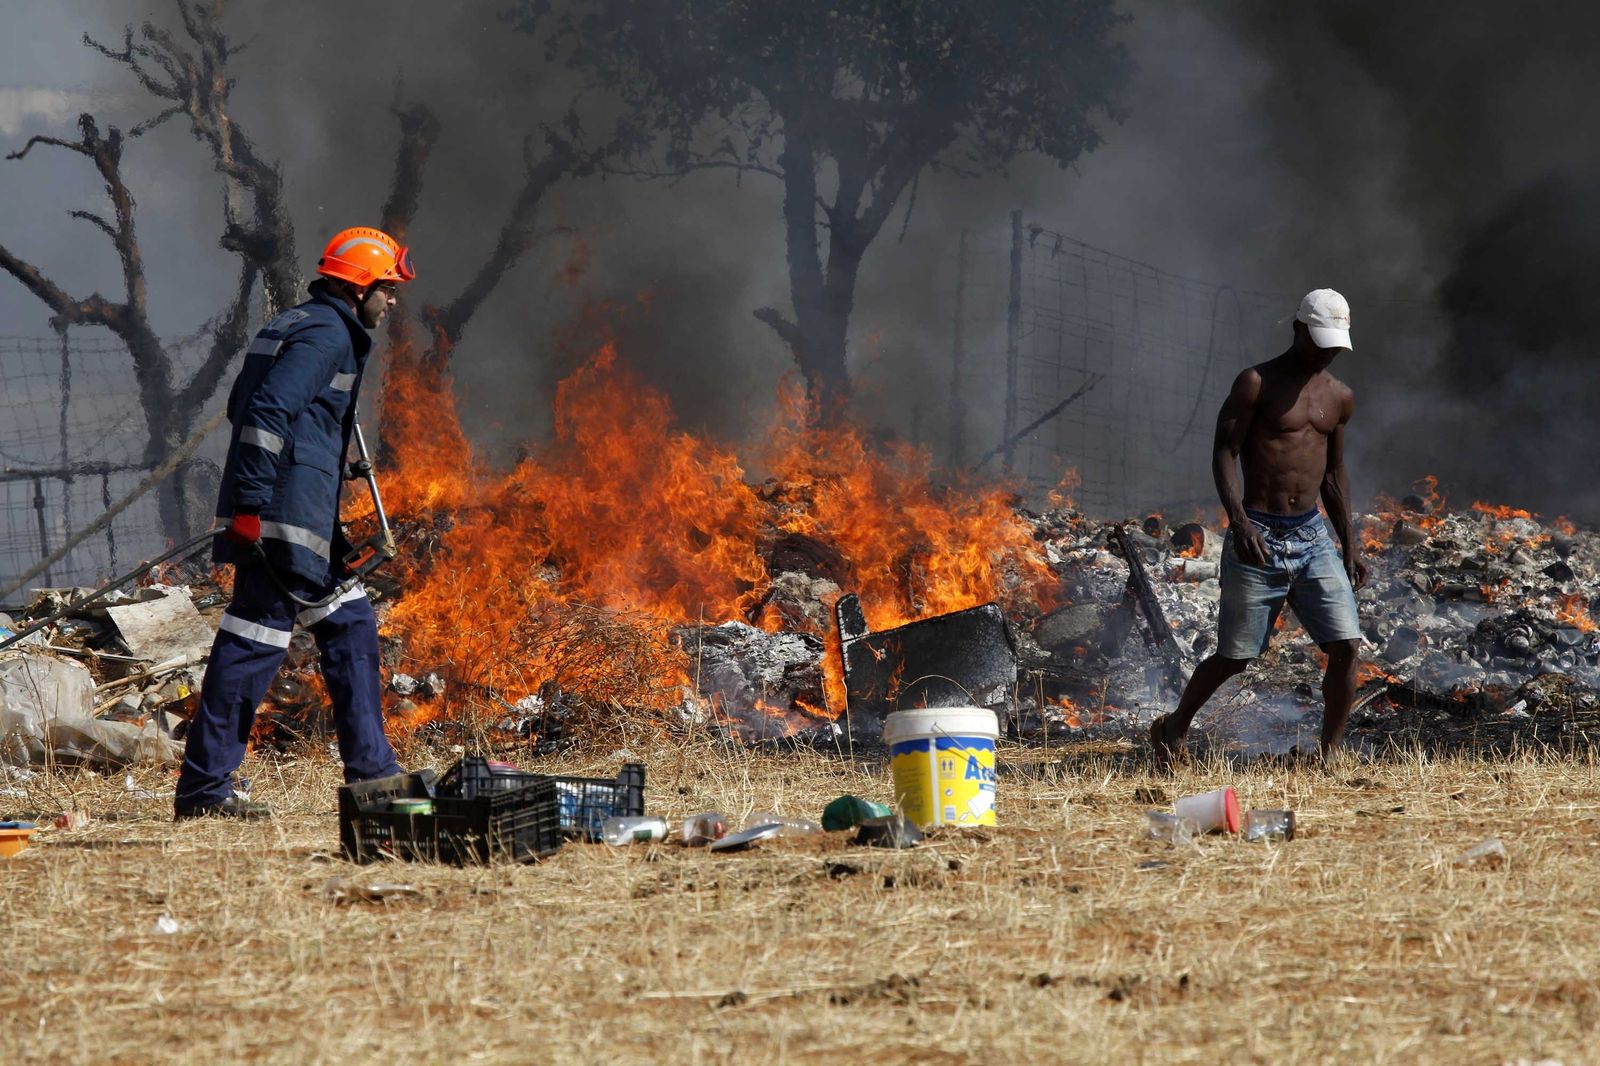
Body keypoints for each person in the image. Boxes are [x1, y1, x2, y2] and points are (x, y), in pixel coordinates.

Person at [174, 228, 416, 819]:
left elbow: (250, 405)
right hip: (281, 518)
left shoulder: (299, 323)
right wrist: (254, 506)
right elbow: (265, 412)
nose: (392, 301)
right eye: (387, 289)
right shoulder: (329, 334)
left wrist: (329, 457)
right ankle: (206, 793)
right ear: (359, 287)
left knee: (350, 623)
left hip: (293, 512)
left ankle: (375, 777)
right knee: (252, 642)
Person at [1149, 288, 1368, 764]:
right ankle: (1173, 729)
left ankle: (1328, 756)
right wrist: (1240, 522)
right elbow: (1224, 452)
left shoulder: (1339, 397)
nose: (1327, 352)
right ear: (1298, 330)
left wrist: (1349, 543)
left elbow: (1334, 474)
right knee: (1236, 656)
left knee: (1348, 646)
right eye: (1320, 341)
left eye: (1335, 345)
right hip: (1259, 536)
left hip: (1312, 537)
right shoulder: (1255, 383)